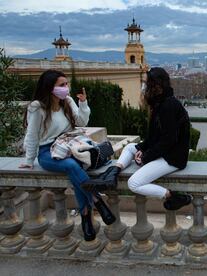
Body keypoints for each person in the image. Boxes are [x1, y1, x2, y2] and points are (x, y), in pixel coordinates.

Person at [19, 70, 115, 242]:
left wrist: (83, 103)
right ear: (50, 87)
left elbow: (82, 122)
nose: (66, 88)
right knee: (71, 166)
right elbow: (32, 135)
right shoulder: (37, 107)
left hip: (68, 145)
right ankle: (96, 199)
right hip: (46, 152)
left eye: (66, 84)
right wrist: (28, 160)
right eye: (62, 85)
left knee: (74, 168)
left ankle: (85, 214)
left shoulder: (67, 102)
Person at [82, 67, 191, 211]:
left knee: (134, 183)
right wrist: (142, 148)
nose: (144, 87)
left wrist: (146, 157)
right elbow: (153, 137)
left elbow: (168, 140)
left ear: (156, 85)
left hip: (173, 158)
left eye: (147, 83)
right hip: (165, 152)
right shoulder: (159, 103)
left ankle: (172, 196)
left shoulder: (168, 106)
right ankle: (111, 175)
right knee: (129, 147)